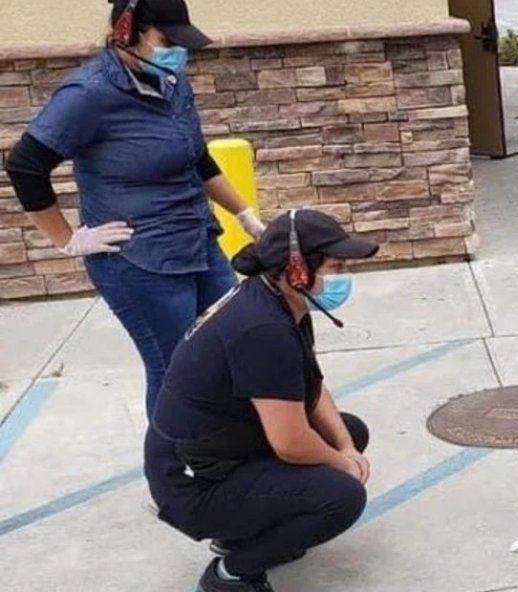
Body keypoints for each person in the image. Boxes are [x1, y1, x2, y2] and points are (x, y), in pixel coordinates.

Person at [2, 0, 265, 418]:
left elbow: (196, 157)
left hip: (196, 241)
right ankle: (173, 473)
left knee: (232, 346)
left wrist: (244, 214)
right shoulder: (88, 94)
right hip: (141, 262)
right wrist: (68, 239)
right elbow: (25, 165)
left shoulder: (171, 83)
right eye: (166, 42)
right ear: (127, 31)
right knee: (176, 369)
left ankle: (224, 458)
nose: (178, 53)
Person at [144, 209, 378, 592]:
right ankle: (234, 571)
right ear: (297, 270)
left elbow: (311, 388)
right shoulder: (262, 329)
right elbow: (290, 443)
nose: (343, 276)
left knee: (349, 432)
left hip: (221, 451)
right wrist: (344, 465)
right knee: (343, 497)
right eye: (336, 266)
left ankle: (248, 531)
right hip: (190, 486)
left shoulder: (280, 299)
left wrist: (347, 447)